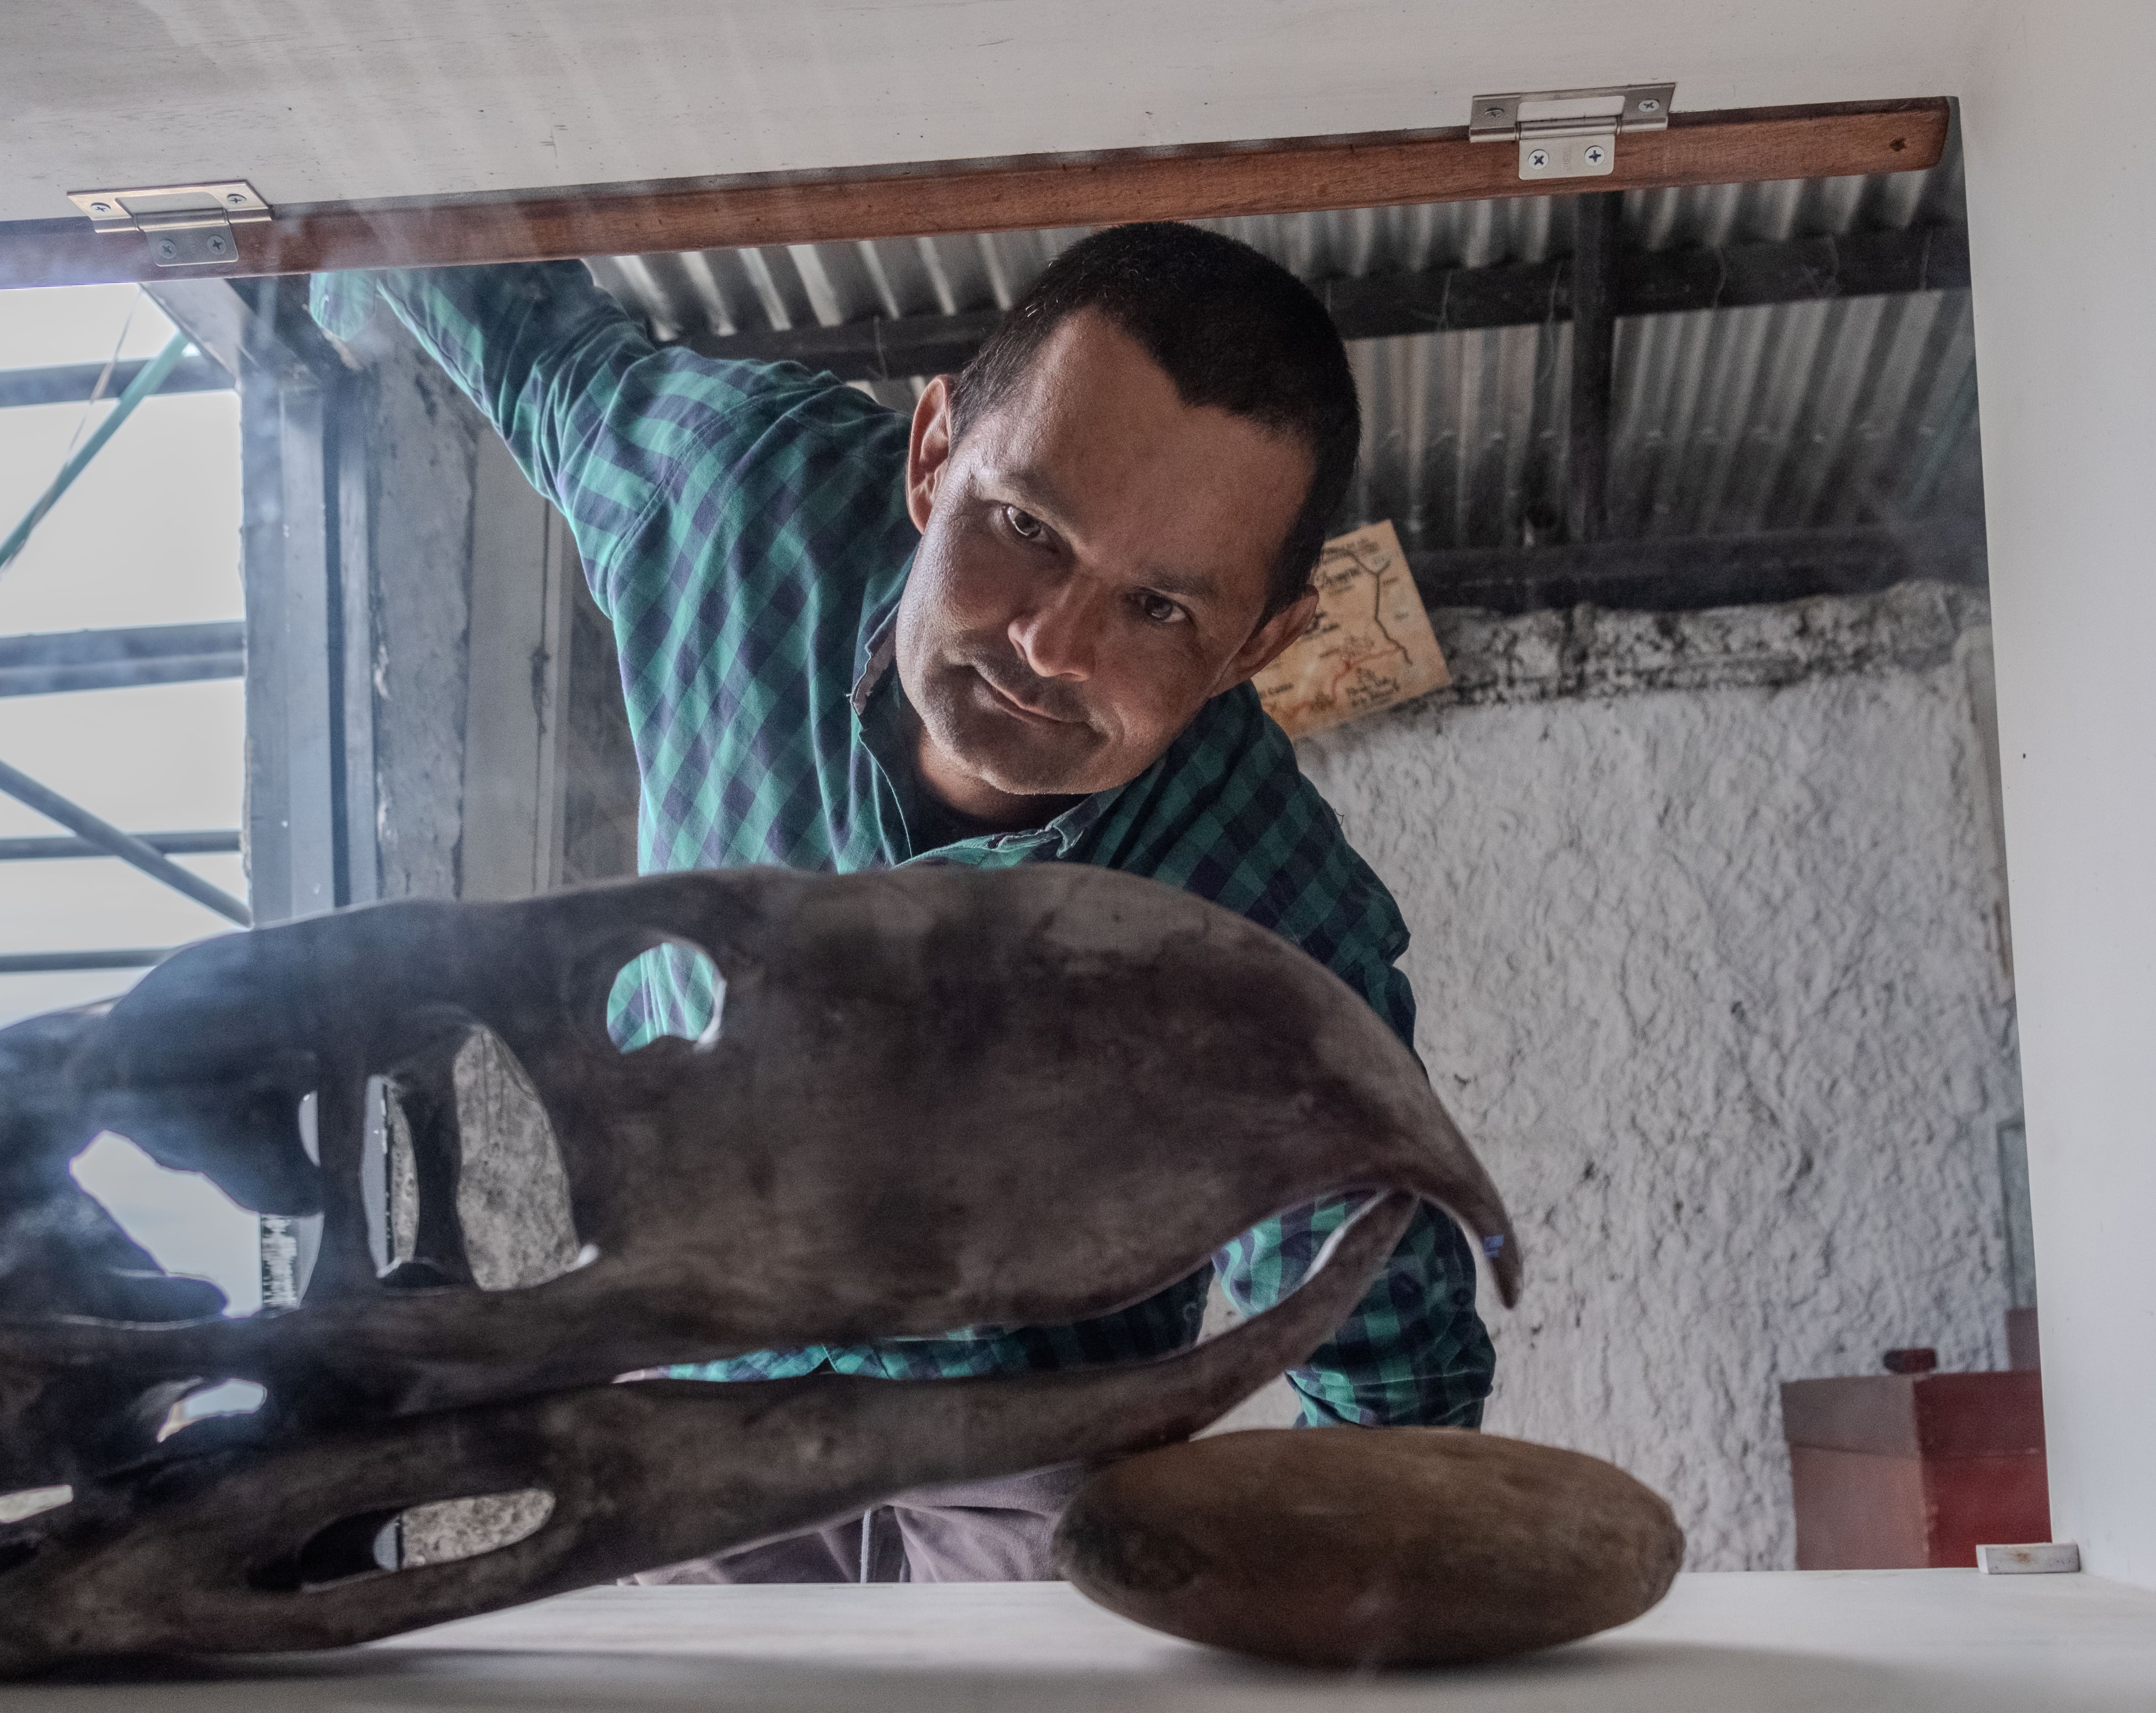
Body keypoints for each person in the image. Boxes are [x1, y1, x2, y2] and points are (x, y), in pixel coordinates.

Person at [310, 222, 1495, 1582]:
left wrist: (1368, 1651)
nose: (1053, 645)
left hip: (1033, 1447)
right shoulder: (733, 494)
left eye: (1160, 607)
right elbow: (524, 338)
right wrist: (326, 245)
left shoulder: (1271, 924)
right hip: (690, 1361)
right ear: (931, 454)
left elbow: (1388, 1355)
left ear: (1260, 644)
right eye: (1028, 527)